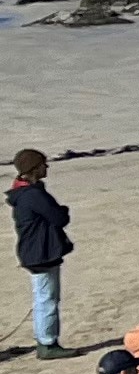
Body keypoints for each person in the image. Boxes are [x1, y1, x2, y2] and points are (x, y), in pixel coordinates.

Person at [14, 145, 71, 358]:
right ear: (34, 169)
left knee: (44, 296)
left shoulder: (25, 193)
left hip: (35, 252)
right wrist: (62, 211)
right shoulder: (32, 195)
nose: (46, 167)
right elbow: (59, 217)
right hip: (41, 252)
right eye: (42, 165)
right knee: (47, 298)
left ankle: (45, 340)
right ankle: (47, 344)